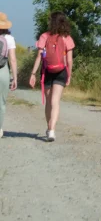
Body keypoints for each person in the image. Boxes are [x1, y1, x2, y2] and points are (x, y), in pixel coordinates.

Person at [28, 11, 75, 141]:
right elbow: (70, 60)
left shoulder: (44, 36)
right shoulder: (67, 38)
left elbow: (39, 56)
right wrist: (69, 75)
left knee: (48, 102)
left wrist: (33, 74)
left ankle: (49, 128)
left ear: (52, 22)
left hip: (47, 71)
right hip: (61, 71)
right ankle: (52, 130)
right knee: (55, 101)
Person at [0, 12, 19, 138]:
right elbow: (12, 59)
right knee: (1, 102)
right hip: (3, 70)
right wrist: (15, 78)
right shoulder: (9, 38)